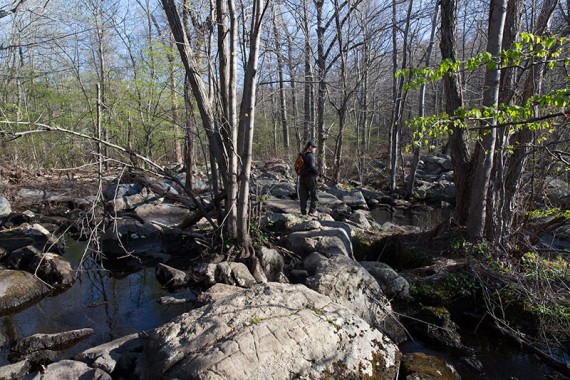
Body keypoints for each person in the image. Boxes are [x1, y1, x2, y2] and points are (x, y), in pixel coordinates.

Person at [299, 140, 319, 216]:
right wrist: (317, 173)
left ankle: (303, 212)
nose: (315, 149)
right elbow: (312, 167)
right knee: (315, 194)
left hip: (302, 177)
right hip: (310, 177)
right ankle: (312, 211)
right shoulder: (311, 156)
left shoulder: (302, 155)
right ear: (310, 147)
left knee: (303, 195)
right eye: (314, 147)